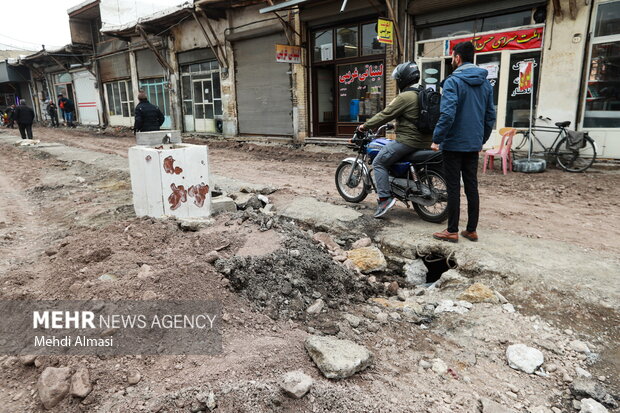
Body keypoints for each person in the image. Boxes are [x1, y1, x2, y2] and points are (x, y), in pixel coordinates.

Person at [431, 41, 496, 243]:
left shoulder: (453, 81)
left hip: (453, 144)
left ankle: (451, 230)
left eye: (452, 57)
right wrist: (480, 139)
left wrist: (437, 139)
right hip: (472, 144)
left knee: (453, 187)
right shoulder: (485, 83)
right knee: (471, 186)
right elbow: (489, 116)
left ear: (457, 58)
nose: (452, 60)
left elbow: (448, 114)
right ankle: (471, 230)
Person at [357, 61, 431, 218]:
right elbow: (412, 117)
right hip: (426, 142)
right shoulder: (423, 93)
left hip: (408, 142)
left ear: (403, 79)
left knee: (378, 162)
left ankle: (384, 198)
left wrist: (365, 125)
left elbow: (384, 114)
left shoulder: (405, 97)